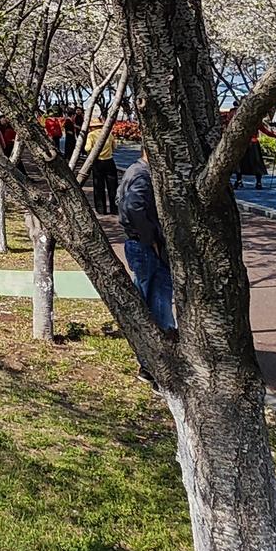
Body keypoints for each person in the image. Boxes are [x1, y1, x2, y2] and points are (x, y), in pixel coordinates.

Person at [117, 154, 175, 382]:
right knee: (157, 302)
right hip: (145, 247)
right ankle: (155, 364)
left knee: (149, 300)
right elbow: (132, 206)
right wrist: (151, 240)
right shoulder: (142, 175)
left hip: (141, 245)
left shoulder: (135, 172)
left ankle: (150, 361)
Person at [86, 118, 118, 214]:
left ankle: (101, 209)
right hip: (109, 161)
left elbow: (87, 148)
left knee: (99, 186)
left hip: (98, 162)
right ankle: (114, 209)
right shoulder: (108, 134)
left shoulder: (91, 135)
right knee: (113, 186)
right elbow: (115, 146)